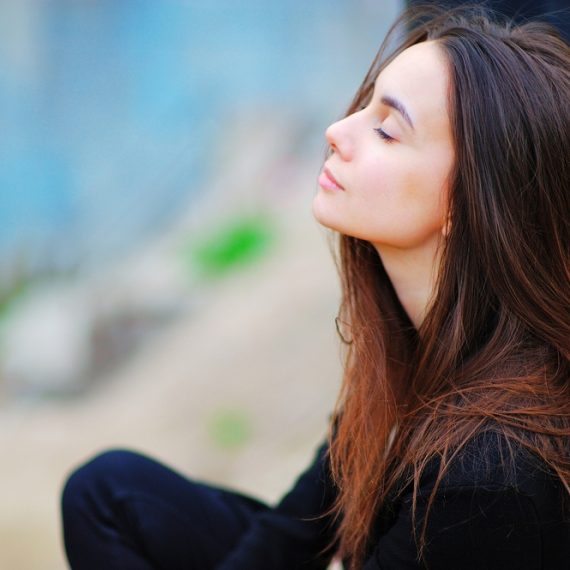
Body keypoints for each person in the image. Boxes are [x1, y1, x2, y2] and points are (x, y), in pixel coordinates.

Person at [60, 6, 570, 569]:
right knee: (111, 494)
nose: (337, 130)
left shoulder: (491, 479)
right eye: (366, 103)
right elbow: (290, 535)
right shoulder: (422, 341)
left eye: (386, 129)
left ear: (469, 200)